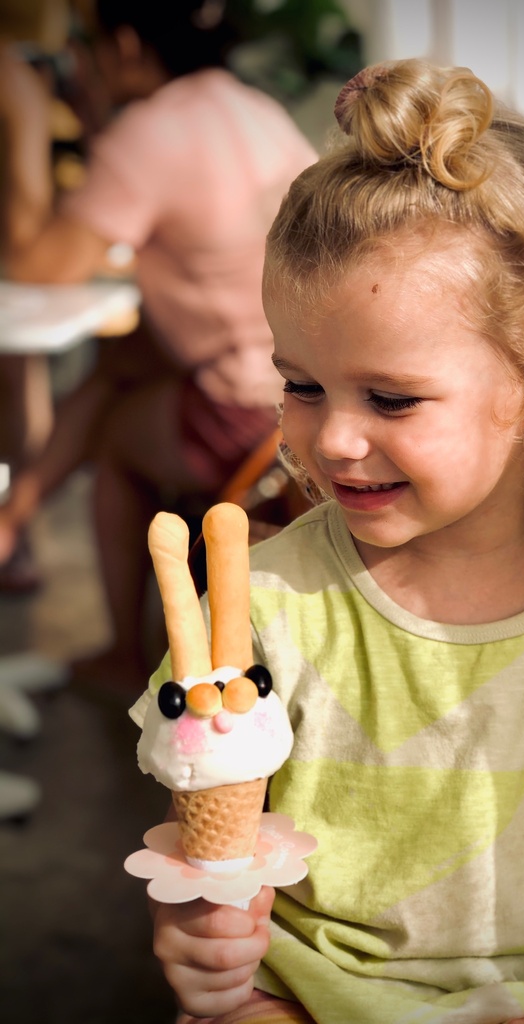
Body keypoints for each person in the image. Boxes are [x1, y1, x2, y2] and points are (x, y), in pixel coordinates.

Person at [133, 59, 524, 1024]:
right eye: (301, 384)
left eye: (391, 397)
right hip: (305, 996)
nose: (331, 438)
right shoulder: (263, 611)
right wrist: (200, 938)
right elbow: (206, 832)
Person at [0, 0, 316, 688]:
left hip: (252, 413)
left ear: (127, 43)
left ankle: (120, 655)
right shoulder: (253, 108)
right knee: (120, 365)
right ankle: (11, 521)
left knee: (113, 433)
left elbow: (33, 263)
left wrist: (24, 116)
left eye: (89, 43)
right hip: (305, 382)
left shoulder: (153, 130)